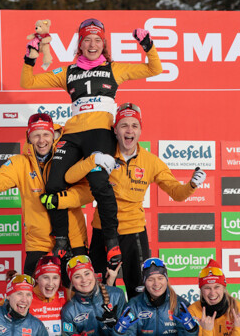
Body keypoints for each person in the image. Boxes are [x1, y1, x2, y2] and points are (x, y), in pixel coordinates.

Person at [21, 18, 163, 266]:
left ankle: (110, 241)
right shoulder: (68, 71)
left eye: (97, 40)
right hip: (73, 134)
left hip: (100, 133)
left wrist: (148, 45)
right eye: (87, 40)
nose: (92, 44)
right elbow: (28, 82)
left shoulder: (114, 68)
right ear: (80, 44)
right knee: (53, 182)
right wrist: (30, 57)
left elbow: (154, 69)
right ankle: (62, 239)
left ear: (104, 44)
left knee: (99, 183)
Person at [45, 102, 206, 299]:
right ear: (115, 130)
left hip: (134, 233)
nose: (129, 130)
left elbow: (177, 193)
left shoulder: (151, 162)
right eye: (124, 125)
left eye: (134, 126)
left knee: (139, 290)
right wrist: (92, 160)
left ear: (140, 130)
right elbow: (70, 177)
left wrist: (191, 185)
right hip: (102, 230)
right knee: (96, 289)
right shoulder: (102, 155)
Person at [0, 113, 89, 277]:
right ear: (29, 138)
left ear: (54, 136)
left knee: (74, 296)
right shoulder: (20, 163)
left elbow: (87, 192)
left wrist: (60, 200)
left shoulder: (69, 157)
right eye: (36, 135)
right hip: (38, 243)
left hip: (73, 239)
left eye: (46, 134)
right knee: (33, 297)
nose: (41, 140)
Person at [0, 256, 67, 336]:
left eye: (55, 278)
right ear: (37, 278)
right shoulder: (21, 295)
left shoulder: (65, 296)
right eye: (45, 277)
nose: (50, 283)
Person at [116, 257, 198, 336]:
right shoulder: (134, 305)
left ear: (166, 279)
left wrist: (191, 330)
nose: (156, 283)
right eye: (150, 279)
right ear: (144, 282)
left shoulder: (180, 304)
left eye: (160, 278)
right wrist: (120, 333)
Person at [61, 255, 129, 336]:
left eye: (87, 274)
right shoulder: (69, 311)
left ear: (93, 274)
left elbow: (132, 331)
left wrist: (117, 328)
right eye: (77, 277)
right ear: (72, 282)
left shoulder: (117, 295)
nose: (84, 280)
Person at [188, 259, 240, 336]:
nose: (212, 293)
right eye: (207, 288)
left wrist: (239, 329)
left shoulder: (238, 309)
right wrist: (207, 331)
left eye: (217, 287)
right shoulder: (193, 311)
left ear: (224, 288)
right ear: (201, 290)